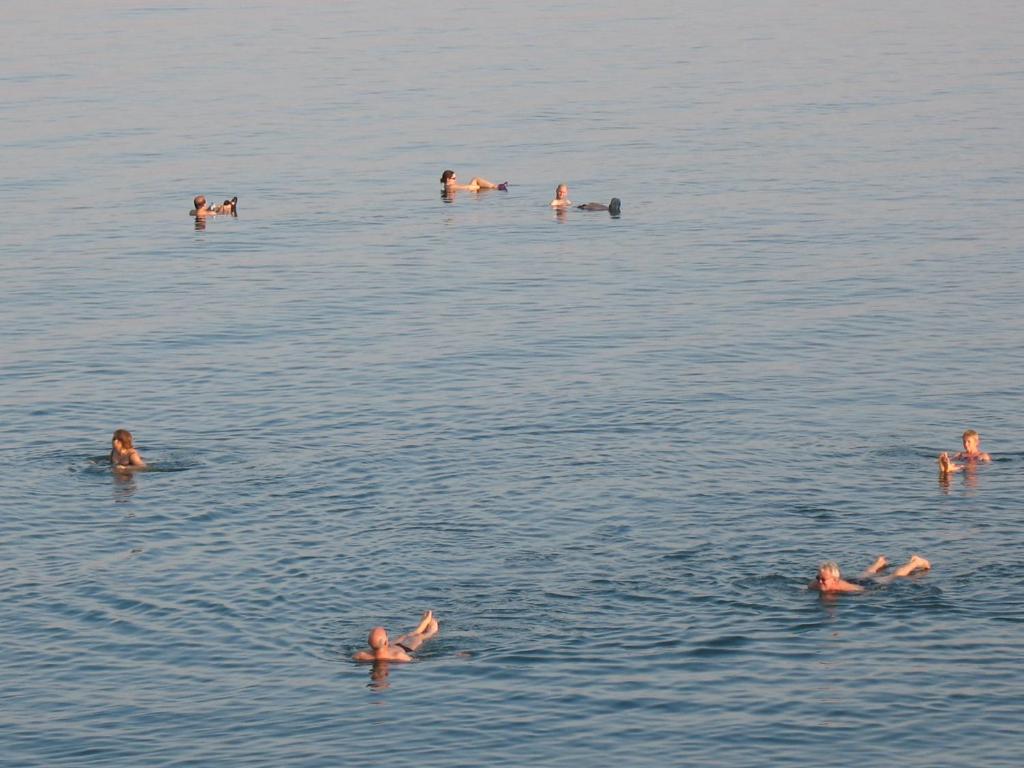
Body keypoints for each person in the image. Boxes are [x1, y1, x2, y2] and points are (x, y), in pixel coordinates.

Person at [811, 554, 931, 593]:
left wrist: (875, 592)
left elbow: (863, 590)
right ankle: (879, 562)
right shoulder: (816, 584)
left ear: (835, 579)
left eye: (824, 579)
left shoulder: (844, 587)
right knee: (864, 573)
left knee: (893, 576)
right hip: (852, 579)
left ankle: (915, 562)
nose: (820, 582)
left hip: (866, 585)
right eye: (818, 578)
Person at [353, 610, 439, 662]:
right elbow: (414, 660)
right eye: (386, 634)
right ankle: (431, 631)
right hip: (405, 649)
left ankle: (419, 628)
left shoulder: (360, 655)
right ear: (386, 641)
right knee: (418, 637)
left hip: (390, 646)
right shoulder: (398, 656)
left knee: (403, 636)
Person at [440, 170, 507, 193]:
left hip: (471, 190)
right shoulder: (451, 186)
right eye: (454, 178)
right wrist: (478, 186)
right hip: (471, 191)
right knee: (477, 180)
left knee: (475, 179)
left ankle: (496, 186)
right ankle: (498, 187)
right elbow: (467, 188)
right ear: (448, 179)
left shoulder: (447, 186)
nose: (455, 180)